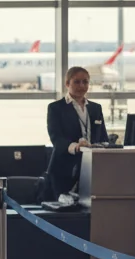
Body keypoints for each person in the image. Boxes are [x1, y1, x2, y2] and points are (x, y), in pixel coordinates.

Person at [45, 66, 108, 199]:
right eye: (77, 82)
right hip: (64, 169)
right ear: (67, 84)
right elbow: (56, 138)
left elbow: (102, 136)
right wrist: (75, 147)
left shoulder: (96, 108)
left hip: (92, 168)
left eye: (85, 82)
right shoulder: (56, 108)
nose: (81, 86)